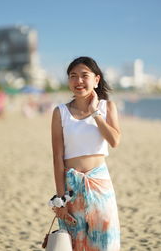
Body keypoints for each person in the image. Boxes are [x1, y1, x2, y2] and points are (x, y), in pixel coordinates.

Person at [49, 56, 121, 251]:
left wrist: (95, 113)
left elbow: (114, 141)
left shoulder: (107, 107)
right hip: (71, 188)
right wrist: (60, 198)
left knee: (105, 241)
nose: (78, 81)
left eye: (84, 76)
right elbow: (57, 158)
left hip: (100, 184)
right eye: (73, 76)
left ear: (96, 80)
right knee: (74, 243)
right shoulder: (60, 112)